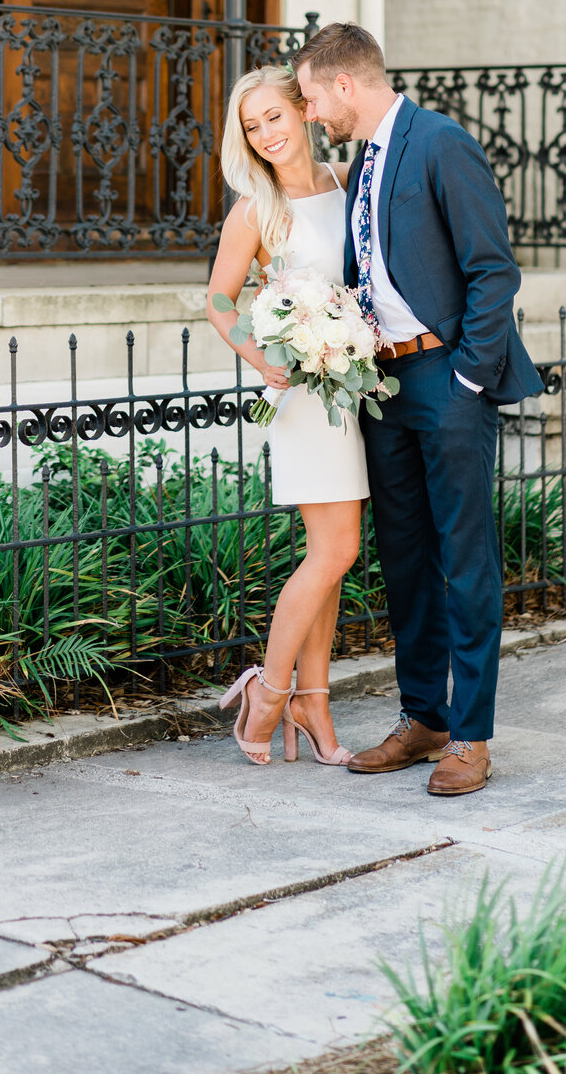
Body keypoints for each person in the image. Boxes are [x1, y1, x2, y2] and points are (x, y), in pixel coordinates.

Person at [294, 22, 542, 797]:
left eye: (308, 99)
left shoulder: (439, 143)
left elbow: (492, 270)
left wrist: (469, 377)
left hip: (446, 380)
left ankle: (470, 735)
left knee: (464, 559)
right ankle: (424, 717)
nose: (309, 117)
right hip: (383, 388)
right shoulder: (363, 158)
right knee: (405, 560)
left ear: (344, 84)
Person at [207, 64, 368, 767]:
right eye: (252, 126)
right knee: (337, 551)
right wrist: (261, 360)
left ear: (302, 111)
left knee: (329, 559)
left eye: (273, 116)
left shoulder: (344, 181)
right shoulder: (255, 209)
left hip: (355, 384)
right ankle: (270, 692)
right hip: (305, 395)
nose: (266, 134)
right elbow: (218, 300)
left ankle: (314, 701)